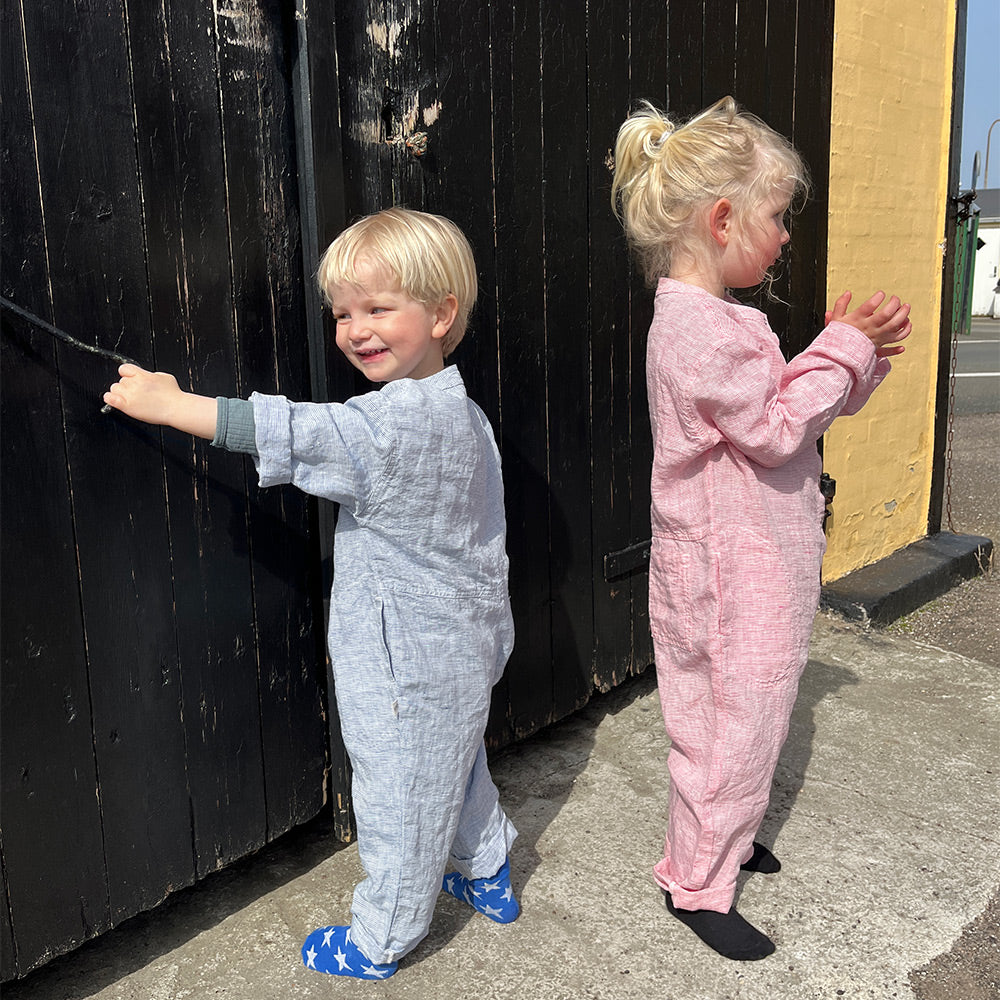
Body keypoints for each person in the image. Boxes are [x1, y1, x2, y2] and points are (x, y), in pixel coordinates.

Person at [103, 207, 520, 980]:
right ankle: (487, 869)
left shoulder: (387, 428)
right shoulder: (463, 414)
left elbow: (295, 433)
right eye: (342, 314)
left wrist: (168, 403)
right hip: (465, 644)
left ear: (441, 315)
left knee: (399, 798)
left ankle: (384, 937)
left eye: (377, 308)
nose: (356, 330)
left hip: (403, 667)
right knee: (457, 764)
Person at [610, 96, 912, 961]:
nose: (783, 237)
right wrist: (841, 348)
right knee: (726, 727)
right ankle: (697, 882)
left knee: (751, 714)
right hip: (728, 577)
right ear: (721, 220)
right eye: (776, 217)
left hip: (746, 565)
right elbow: (779, 426)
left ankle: (727, 839)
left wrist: (851, 359)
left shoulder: (713, 321)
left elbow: (780, 408)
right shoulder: (698, 331)